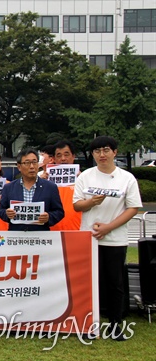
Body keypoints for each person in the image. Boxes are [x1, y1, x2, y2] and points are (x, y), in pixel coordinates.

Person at [73, 136, 141, 341]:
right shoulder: (85, 176)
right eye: (97, 151)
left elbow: (133, 208)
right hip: (89, 238)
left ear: (115, 152)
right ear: (92, 155)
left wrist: (109, 227)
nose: (101, 155)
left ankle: (115, 324)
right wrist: (91, 202)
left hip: (115, 239)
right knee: (89, 282)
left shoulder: (126, 178)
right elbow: (76, 205)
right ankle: (88, 323)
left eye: (105, 150)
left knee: (115, 282)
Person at [0, 148, 64, 231]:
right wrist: (7, 214)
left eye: (34, 162)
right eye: (27, 163)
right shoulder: (9, 187)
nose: (32, 166)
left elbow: (59, 212)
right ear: (19, 167)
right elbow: (1, 210)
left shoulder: (50, 187)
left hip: (41, 236)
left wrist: (48, 217)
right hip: (16, 236)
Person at [51, 140, 82, 231]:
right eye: (59, 155)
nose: (63, 158)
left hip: (77, 230)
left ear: (73, 156)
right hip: (51, 232)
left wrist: (82, 179)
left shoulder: (84, 179)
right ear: (54, 158)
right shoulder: (45, 181)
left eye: (66, 154)